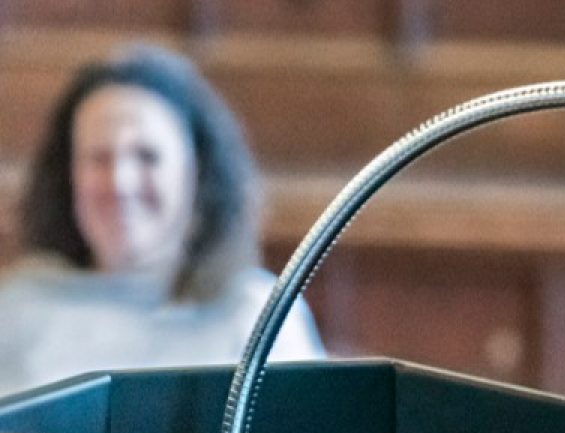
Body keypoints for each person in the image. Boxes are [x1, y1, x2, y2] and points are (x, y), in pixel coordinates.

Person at [0, 45, 323, 397]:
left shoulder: (257, 317)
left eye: (147, 156)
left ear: (197, 173)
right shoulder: (16, 308)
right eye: (99, 158)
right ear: (67, 177)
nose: (121, 183)